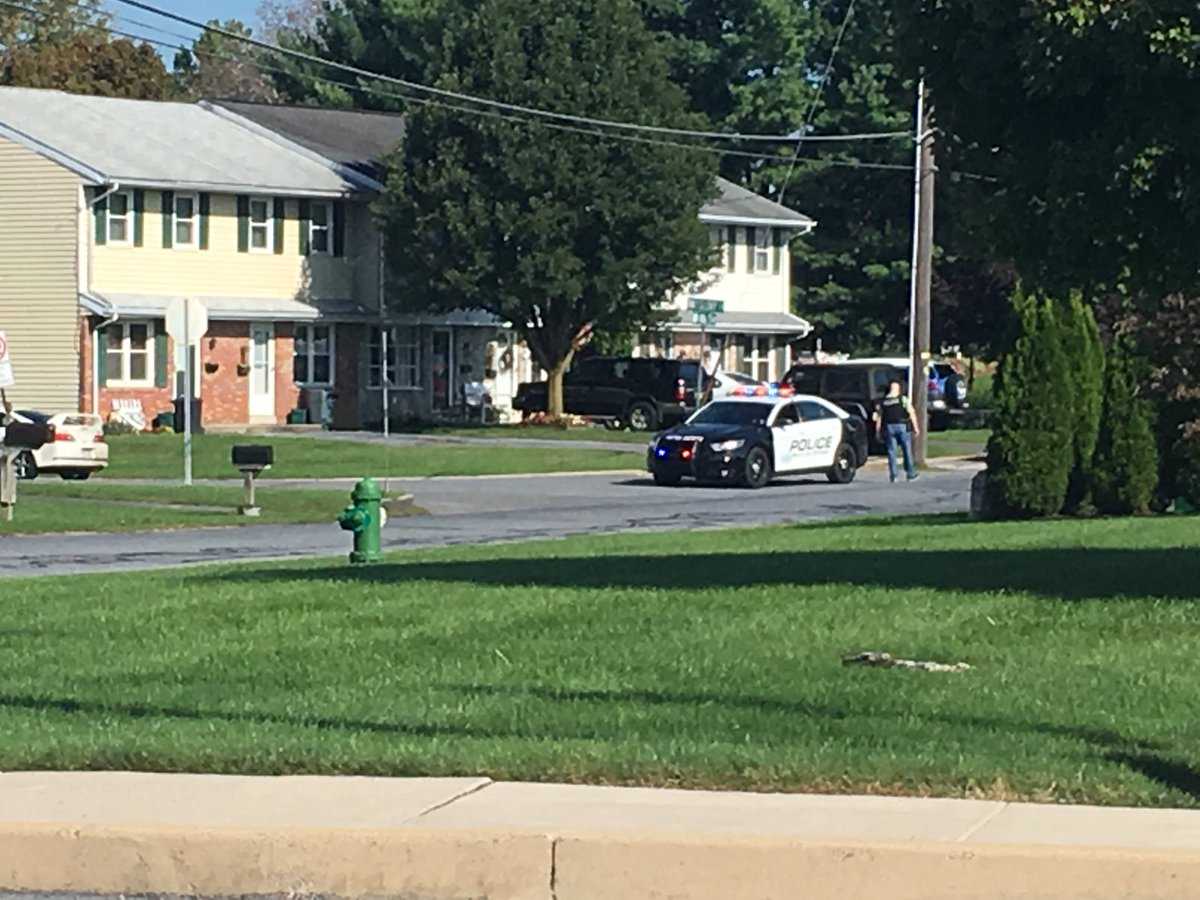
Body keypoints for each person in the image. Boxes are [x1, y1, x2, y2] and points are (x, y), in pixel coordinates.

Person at [875, 380, 920, 482]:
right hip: (902, 426)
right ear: (899, 389)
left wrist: (877, 431)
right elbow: (911, 413)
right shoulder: (903, 399)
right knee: (907, 450)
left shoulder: (883, 401)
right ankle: (911, 474)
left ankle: (894, 476)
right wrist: (916, 427)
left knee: (891, 452)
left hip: (889, 427)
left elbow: (879, 417)